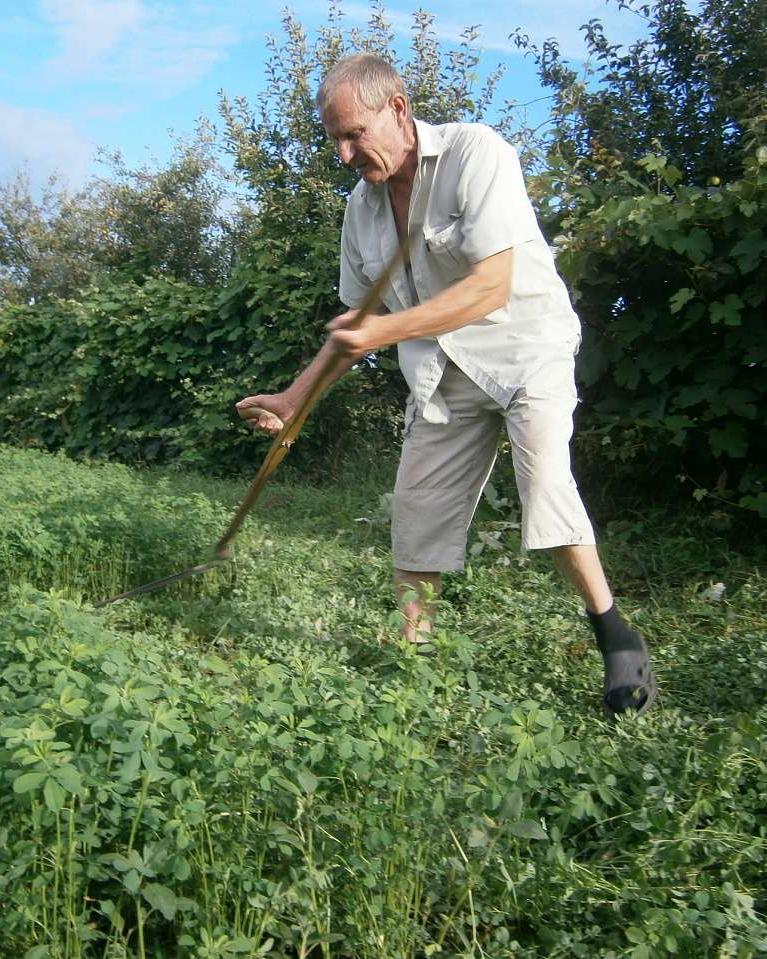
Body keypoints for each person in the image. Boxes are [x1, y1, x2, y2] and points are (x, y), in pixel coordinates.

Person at [235, 53, 656, 717]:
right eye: (334, 140)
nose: (345, 153)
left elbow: (491, 285)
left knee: (544, 479)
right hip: (441, 368)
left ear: (397, 109)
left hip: (526, 347)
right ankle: (412, 660)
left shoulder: (476, 154)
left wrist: (382, 331)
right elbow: (358, 323)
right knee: (416, 512)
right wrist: (295, 398)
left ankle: (614, 633)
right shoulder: (361, 211)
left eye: (355, 134)